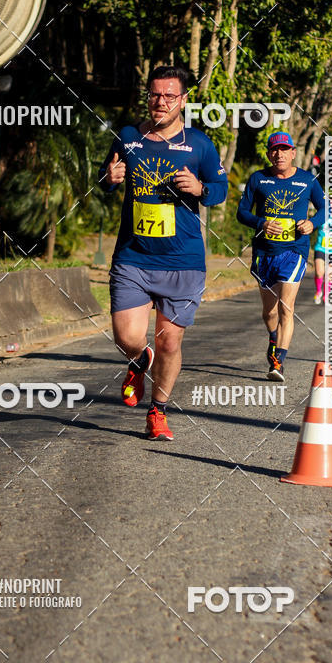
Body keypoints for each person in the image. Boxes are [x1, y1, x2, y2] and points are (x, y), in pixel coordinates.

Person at [99, 65, 228, 441]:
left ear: (183, 100)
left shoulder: (200, 144)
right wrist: (109, 179)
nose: (160, 102)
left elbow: (220, 190)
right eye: (155, 95)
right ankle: (140, 361)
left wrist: (200, 187)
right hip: (133, 256)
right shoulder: (127, 136)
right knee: (126, 337)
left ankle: (158, 412)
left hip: (182, 260)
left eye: (169, 96)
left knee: (169, 341)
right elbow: (106, 178)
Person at [237, 132, 325, 382]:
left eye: (285, 149)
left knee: (287, 307)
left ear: (293, 153)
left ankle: (279, 360)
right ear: (269, 154)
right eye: (275, 150)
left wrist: (312, 223)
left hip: (294, 252)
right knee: (269, 312)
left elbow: (324, 208)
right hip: (264, 253)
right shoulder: (258, 179)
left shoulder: (307, 180)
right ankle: (273, 338)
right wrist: (261, 223)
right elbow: (242, 213)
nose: (280, 154)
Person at [313, 210, 332, 304]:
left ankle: (326, 295)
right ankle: (318, 291)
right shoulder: (321, 213)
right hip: (320, 248)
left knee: (329, 274)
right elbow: (312, 226)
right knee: (319, 272)